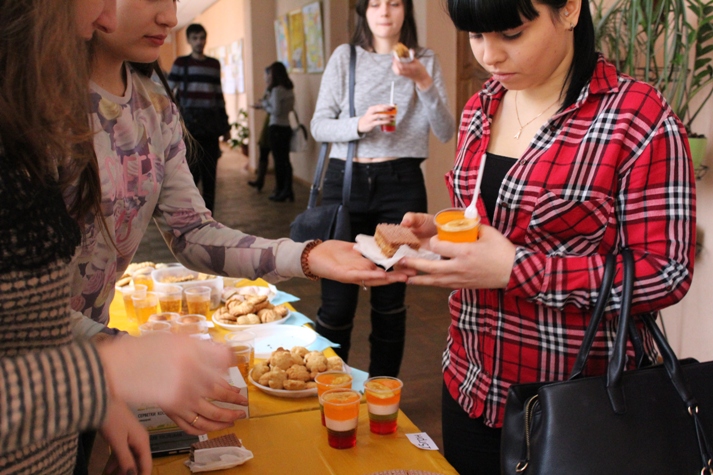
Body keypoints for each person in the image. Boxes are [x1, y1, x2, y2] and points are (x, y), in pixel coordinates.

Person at [397, 0, 697, 473]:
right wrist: (441, 230)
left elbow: (667, 272)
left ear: (570, 9)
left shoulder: (637, 116)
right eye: (476, 36)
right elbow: (496, 220)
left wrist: (518, 270)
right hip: (470, 381)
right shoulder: (481, 107)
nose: (490, 56)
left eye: (511, 34)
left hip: (578, 400)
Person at [0, 1, 240, 474]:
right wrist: (104, 372)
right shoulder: (29, 118)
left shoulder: (148, 106)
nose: (106, 17)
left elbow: (29, 321)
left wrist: (98, 390)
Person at [310, 0, 455, 377]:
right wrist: (359, 124)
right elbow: (319, 125)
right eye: (375, 3)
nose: (384, 12)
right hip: (346, 181)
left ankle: (382, 392)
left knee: (390, 303)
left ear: (406, 10)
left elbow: (445, 130)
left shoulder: (425, 60)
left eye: (393, 3)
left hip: (401, 185)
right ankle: (328, 390)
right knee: (336, 305)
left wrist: (422, 80)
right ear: (364, 11)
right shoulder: (346, 58)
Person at [168, 23, 231, 214]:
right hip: (189, 127)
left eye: (202, 38)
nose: (199, 42)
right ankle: (193, 214)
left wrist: (226, 126)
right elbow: (167, 92)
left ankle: (209, 215)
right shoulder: (181, 64)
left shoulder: (213, 64)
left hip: (210, 126)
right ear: (189, 40)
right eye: (195, 38)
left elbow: (218, 96)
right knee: (190, 173)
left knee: (210, 173)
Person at [257, 61, 296, 202]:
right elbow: (289, 108)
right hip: (286, 127)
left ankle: (280, 190)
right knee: (285, 161)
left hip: (276, 128)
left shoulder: (277, 90)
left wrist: (264, 105)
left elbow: (275, 111)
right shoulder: (289, 89)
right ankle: (288, 189)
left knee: (279, 162)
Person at [248, 67, 273, 192]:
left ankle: (262, 181)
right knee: (263, 151)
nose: (265, 77)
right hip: (270, 121)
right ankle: (259, 180)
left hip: (274, 123)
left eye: (266, 74)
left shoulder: (277, 90)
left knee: (273, 154)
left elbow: (274, 108)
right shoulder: (269, 89)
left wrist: (263, 105)